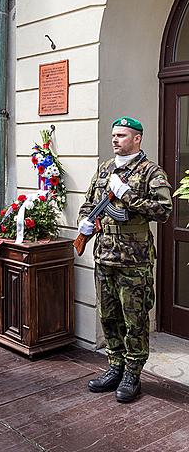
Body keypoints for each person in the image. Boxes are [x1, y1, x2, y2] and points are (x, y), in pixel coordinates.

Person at [77, 116, 172, 403]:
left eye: (121, 135)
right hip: (105, 257)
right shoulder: (104, 169)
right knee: (109, 317)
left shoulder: (150, 172)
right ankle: (115, 366)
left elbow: (164, 211)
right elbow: (89, 203)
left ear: (137, 138)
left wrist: (127, 194)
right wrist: (85, 222)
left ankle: (133, 373)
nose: (115, 140)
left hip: (135, 261)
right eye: (113, 135)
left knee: (135, 320)